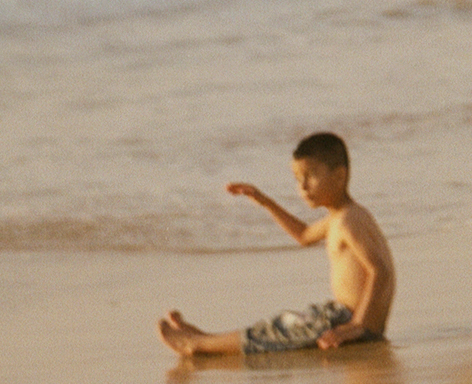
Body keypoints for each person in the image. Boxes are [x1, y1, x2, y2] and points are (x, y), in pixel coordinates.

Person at [158, 131, 396, 358]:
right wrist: (265, 202)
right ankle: (207, 340)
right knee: (282, 326)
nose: (302, 187)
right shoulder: (341, 217)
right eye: (297, 179)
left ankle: (197, 344)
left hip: (348, 320)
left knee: (279, 331)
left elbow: (380, 271)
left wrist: (358, 325)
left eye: (310, 176)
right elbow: (303, 235)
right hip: (344, 317)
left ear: (339, 176)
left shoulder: (348, 220)